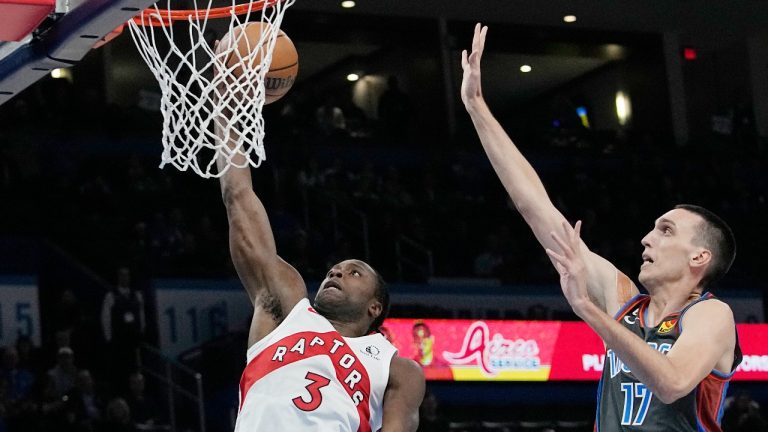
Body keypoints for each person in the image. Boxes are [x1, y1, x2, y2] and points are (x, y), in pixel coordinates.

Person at [461, 23, 741, 431]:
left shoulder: (711, 314)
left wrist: (587, 309)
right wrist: (477, 107)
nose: (646, 238)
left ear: (700, 256)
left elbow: (672, 382)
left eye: (666, 231)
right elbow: (534, 206)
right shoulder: (625, 301)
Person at [211, 58, 425, 431]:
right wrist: (226, 107)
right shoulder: (286, 311)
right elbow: (239, 199)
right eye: (335, 269)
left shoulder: (396, 367)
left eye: (354, 271)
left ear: (375, 306)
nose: (337, 271)